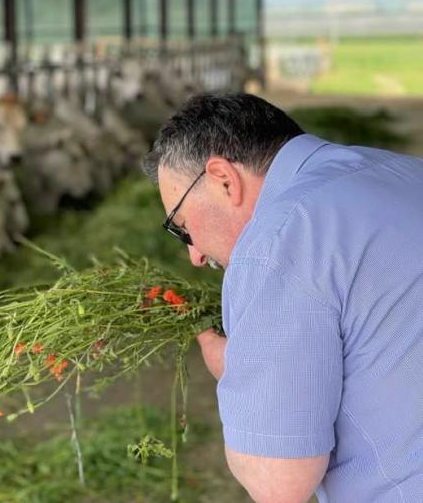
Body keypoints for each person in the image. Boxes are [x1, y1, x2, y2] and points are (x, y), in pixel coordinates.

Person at [142, 93, 423, 503]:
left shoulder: (275, 242)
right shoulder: (402, 170)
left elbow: (277, 482)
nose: (196, 255)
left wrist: (240, 370)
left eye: (182, 226)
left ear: (223, 179)